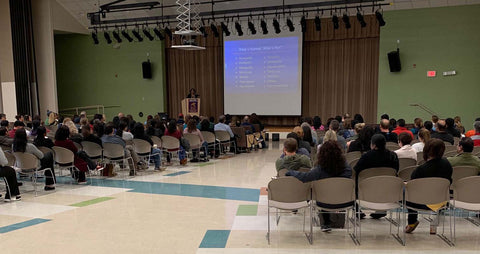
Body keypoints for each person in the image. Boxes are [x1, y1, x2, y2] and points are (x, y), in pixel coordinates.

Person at [286, 140, 352, 232]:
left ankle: (326, 223)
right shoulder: (347, 169)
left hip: (324, 202)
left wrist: (291, 172)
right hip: (345, 202)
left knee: (319, 191)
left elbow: (305, 177)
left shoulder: (320, 170)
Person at [405, 138, 453, 234]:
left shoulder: (420, 170)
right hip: (442, 202)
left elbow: (412, 188)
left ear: (426, 150)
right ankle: (434, 224)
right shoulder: (447, 165)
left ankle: (412, 221)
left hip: (421, 202)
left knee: (405, 191)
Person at [354, 134, 399, 219]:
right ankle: (381, 210)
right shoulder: (392, 156)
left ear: (373, 145)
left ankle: (357, 210)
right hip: (386, 190)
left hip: (367, 190)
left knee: (355, 179)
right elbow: (396, 171)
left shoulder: (366, 157)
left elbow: (356, 171)